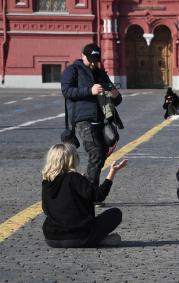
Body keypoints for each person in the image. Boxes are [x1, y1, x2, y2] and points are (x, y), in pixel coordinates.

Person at [61, 43, 123, 207]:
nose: (94, 64)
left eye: (96, 60)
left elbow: (117, 100)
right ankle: (90, 195)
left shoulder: (101, 73)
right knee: (96, 152)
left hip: (102, 120)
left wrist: (115, 94)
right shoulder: (72, 71)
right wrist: (90, 90)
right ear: (83, 56)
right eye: (91, 60)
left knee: (101, 153)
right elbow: (67, 91)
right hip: (82, 119)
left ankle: (85, 189)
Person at [41, 143, 128, 248]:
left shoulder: (47, 182)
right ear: (71, 159)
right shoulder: (74, 178)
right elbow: (98, 196)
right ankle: (96, 240)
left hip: (52, 239)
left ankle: (96, 240)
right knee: (115, 213)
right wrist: (112, 172)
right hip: (79, 237)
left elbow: (45, 209)